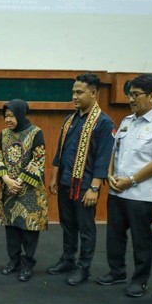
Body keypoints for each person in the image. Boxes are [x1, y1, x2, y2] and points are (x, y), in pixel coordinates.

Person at [96, 74, 152, 297]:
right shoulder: (127, 121)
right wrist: (109, 174)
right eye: (129, 94)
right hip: (116, 189)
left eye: (136, 94)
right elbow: (114, 150)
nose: (131, 99)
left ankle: (139, 280)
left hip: (140, 193)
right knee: (114, 235)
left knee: (141, 239)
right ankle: (116, 271)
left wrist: (130, 180)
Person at [46, 74, 115, 285]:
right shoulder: (70, 120)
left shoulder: (103, 122)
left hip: (85, 186)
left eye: (79, 92)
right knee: (67, 224)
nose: (74, 96)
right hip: (66, 182)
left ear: (94, 93)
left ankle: (84, 267)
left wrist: (94, 187)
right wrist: (54, 177)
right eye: (73, 92)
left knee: (86, 228)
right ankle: (68, 259)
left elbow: (104, 157)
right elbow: (61, 151)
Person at [0, 99, 48, 282]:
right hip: (9, 189)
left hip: (30, 190)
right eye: (5, 116)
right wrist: (7, 180)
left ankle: (27, 264)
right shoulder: (3, 134)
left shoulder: (36, 133)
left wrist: (19, 181)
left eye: (11, 115)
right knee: (11, 228)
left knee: (29, 229)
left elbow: (38, 159)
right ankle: (13, 261)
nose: (8, 119)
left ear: (21, 114)